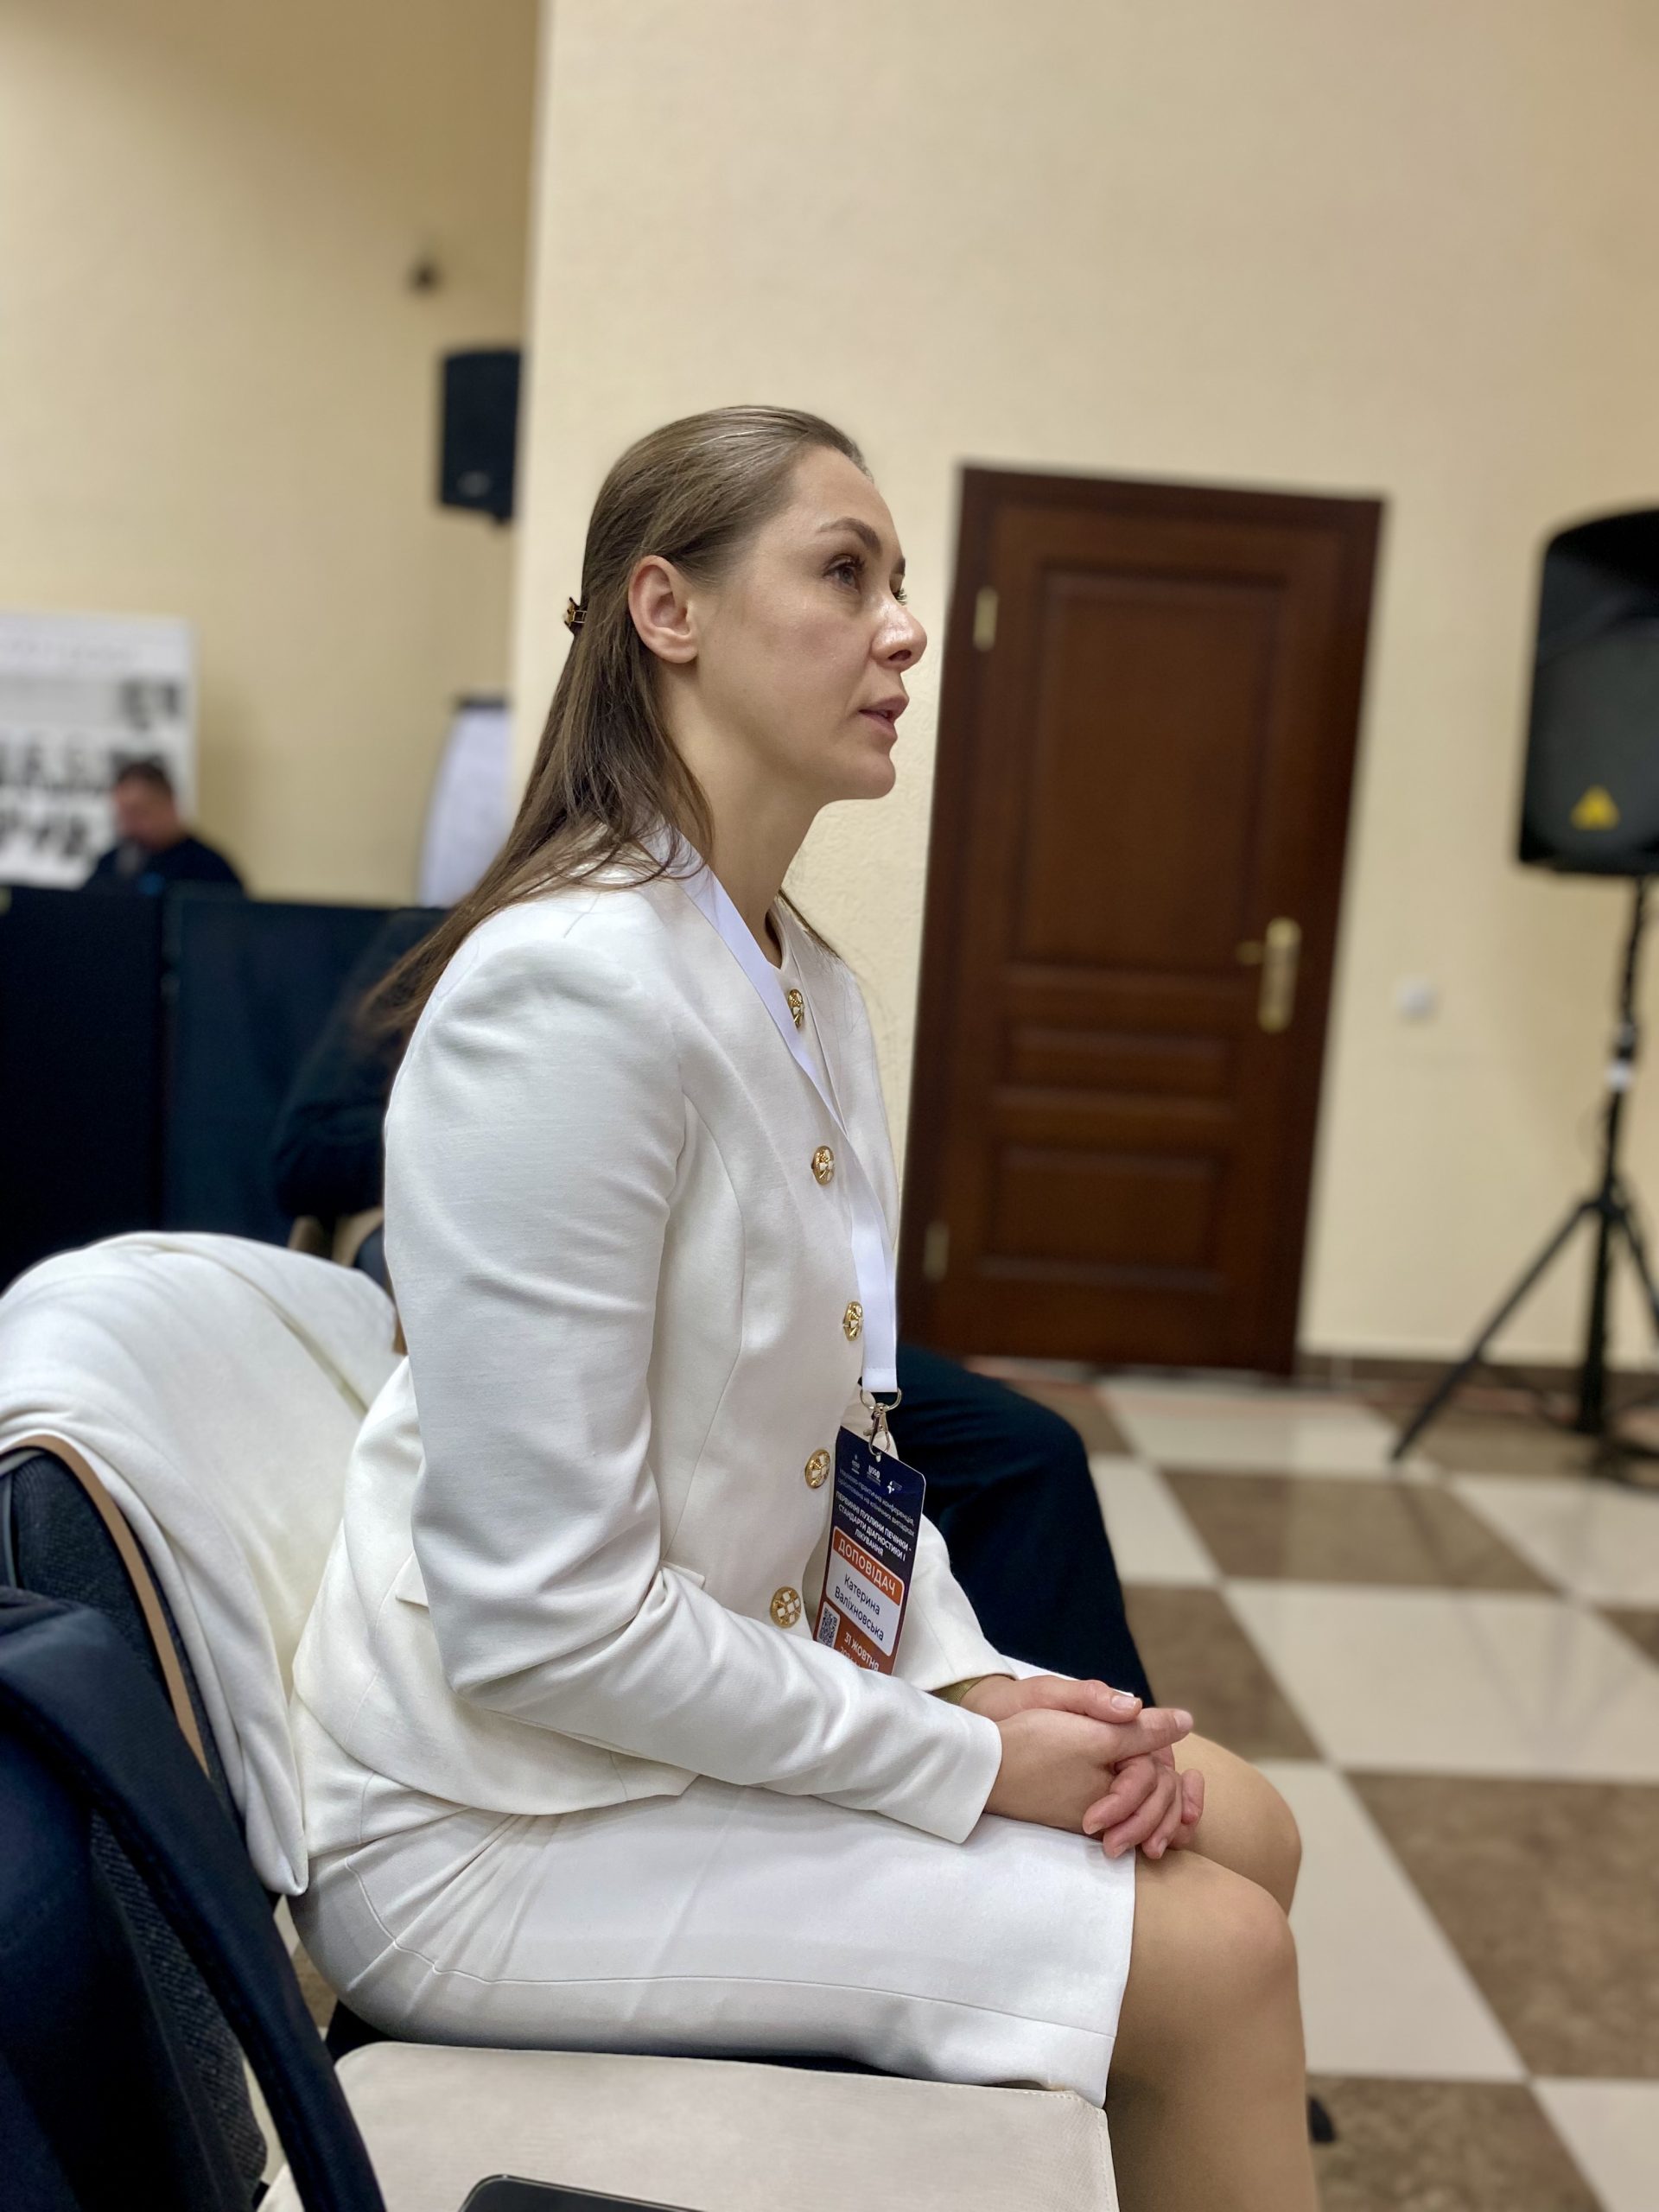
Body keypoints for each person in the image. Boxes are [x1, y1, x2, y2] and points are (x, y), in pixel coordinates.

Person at [289, 408, 1312, 2212]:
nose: (905, 627)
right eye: (846, 573)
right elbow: (542, 1628)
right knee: (1219, 1956)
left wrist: (977, 1672)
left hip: (661, 1727)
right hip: (497, 1820)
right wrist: (960, 1761)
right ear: (667, 610)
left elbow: (857, 1447)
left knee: (1248, 1819)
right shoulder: (566, 995)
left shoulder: (799, 980)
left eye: (900, 580)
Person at [271, 907, 1156, 1698]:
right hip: (544, 1280)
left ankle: (1082, 1718)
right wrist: (530, 1132)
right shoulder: (516, 968)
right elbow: (306, 1154)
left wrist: (979, 1700)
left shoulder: (791, 976)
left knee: (1029, 1448)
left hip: (756, 1316)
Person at [83, 759, 243, 893]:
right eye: (122, 816)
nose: (129, 825)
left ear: (169, 804)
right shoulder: (111, 864)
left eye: (138, 812)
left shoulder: (210, 868)